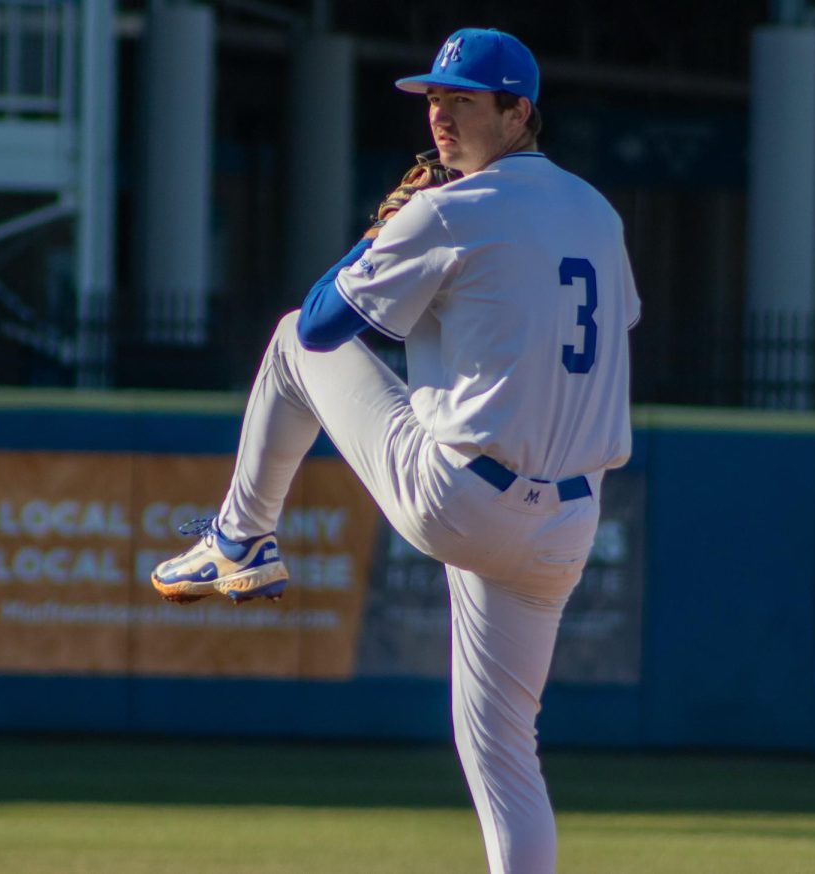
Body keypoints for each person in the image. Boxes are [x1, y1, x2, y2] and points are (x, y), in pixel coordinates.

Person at [152, 26, 640, 874]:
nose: (440, 115)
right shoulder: (597, 212)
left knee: (289, 346)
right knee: (503, 755)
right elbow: (604, 323)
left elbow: (322, 323)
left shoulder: (448, 209)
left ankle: (240, 536)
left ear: (518, 111)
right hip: (566, 524)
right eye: (435, 98)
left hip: (460, 495)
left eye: (462, 99)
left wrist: (384, 236)